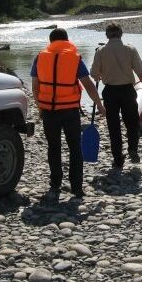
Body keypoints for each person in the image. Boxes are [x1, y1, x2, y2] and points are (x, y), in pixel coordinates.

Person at [31, 28, 105, 198]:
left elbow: (35, 86)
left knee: (54, 146)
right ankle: (77, 187)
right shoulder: (75, 58)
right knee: (75, 148)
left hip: (49, 110)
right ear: (67, 40)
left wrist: (40, 106)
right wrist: (99, 104)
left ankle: (55, 183)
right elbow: (88, 84)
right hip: (70, 110)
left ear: (51, 42)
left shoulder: (40, 57)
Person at [90, 22, 142, 169]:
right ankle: (132, 149)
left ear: (107, 35)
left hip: (110, 91)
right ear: (121, 34)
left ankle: (118, 159)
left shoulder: (100, 51)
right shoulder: (130, 49)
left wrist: (102, 73)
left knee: (114, 126)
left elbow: (94, 74)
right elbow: (141, 73)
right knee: (132, 123)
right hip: (127, 91)